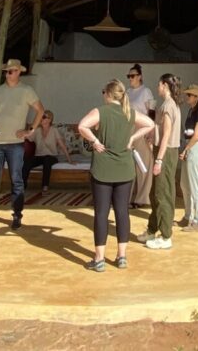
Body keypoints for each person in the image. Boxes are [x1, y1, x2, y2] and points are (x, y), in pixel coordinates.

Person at [77, 79, 155, 271]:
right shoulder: (129, 113)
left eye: (103, 91)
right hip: (125, 169)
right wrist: (132, 138)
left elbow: (82, 126)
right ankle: (121, 257)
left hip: (102, 169)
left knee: (101, 214)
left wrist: (95, 141)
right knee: (122, 213)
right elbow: (150, 124)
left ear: (108, 94)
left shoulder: (100, 112)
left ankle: (100, 259)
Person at [0, 59, 43, 232]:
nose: (8, 74)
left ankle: (17, 215)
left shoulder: (26, 91)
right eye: (6, 71)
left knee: (17, 180)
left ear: (19, 72)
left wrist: (30, 130)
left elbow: (40, 110)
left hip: (15, 143)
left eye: (11, 71)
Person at [144, 72, 182, 250]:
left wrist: (159, 158)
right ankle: (152, 229)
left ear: (165, 86)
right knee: (155, 193)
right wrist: (153, 138)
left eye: (159, 85)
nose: (157, 87)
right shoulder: (166, 105)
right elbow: (160, 130)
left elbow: (167, 133)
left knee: (163, 194)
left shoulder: (168, 106)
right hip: (163, 150)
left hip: (166, 153)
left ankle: (166, 236)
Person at [177, 84, 198, 233]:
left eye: (190, 95)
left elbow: (197, 134)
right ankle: (188, 215)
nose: (187, 97)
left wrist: (186, 149)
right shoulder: (192, 110)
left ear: (196, 97)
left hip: (194, 148)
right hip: (190, 147)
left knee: (195, 185)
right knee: (185, 184)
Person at [125, 64, 156, 207]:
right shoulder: (128, 92)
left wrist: (150, 131)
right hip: (128, 129)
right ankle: (127, 198)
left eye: (132, 76)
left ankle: (142, 199)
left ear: (139, 77)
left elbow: (152, 111)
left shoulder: (146, 91)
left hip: (142, 128)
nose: (130, 78)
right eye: (128, 76)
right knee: (129, 165)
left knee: (143, 164)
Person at [22, 110, 72, 195]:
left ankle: (45, 187)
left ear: (50, 120)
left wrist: (69, 160)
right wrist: (31, 127)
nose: (41, 119)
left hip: (51, 156)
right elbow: (27, 136)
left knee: (47, 160)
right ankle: (22, 186)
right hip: (39, 156)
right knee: (27, 161)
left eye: (44, 117)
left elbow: (62, 145)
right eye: (41, 117)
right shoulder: (37, 130)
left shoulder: (54, 130)